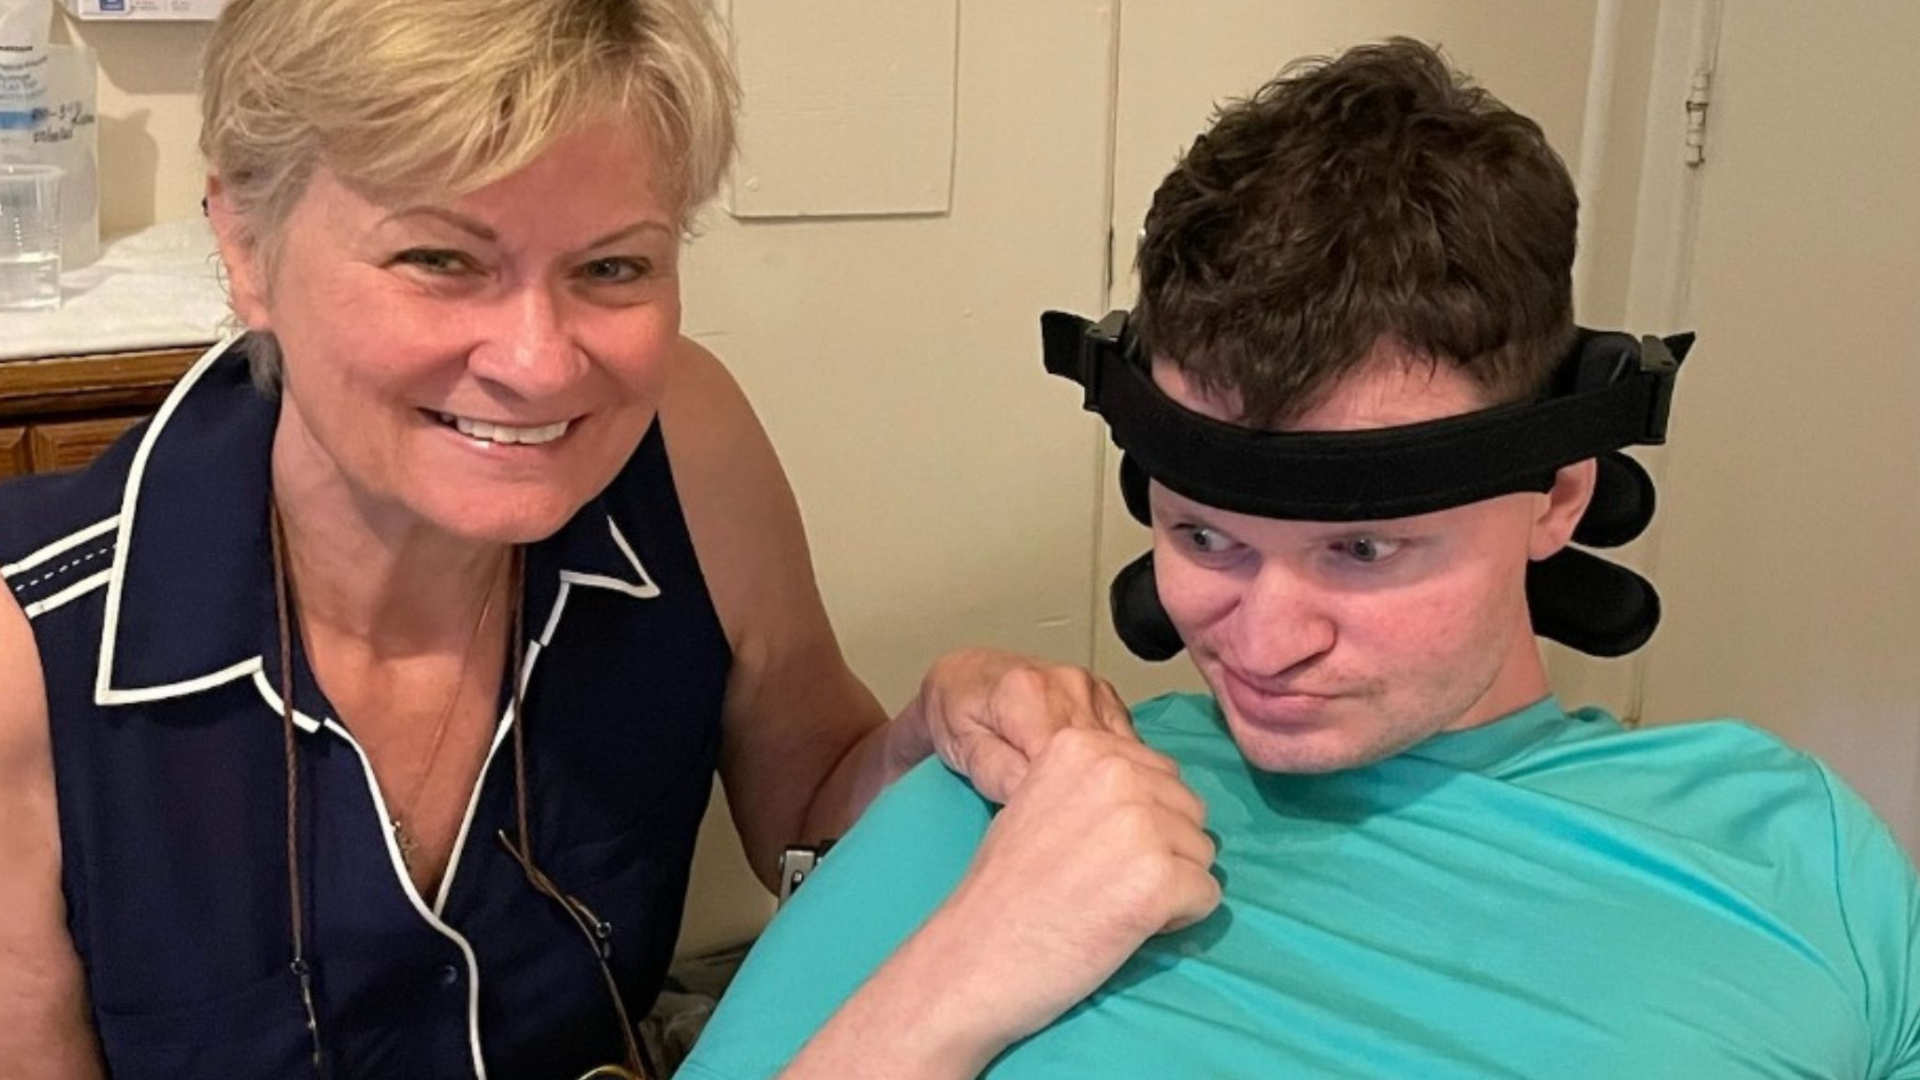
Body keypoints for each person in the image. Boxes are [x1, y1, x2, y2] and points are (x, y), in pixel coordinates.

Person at [0, 1, 1219, 1076]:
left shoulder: (685, 447)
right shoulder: (28, 663)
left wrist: (929, 735)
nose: (537, 362)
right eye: (440, 259)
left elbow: (802, 793)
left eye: (614, 267)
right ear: (246, 245)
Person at [677, 38, 1920, 1080]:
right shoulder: (1019, 807)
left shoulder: (1792, 854)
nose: (1263, 646)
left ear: (1560, 498)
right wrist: (962, 976)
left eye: (1365, 550)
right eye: (1203, 536)